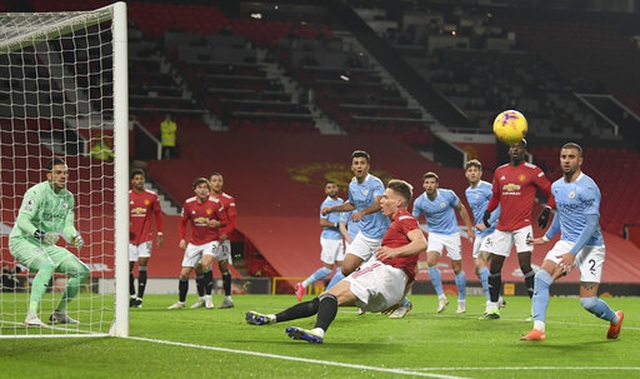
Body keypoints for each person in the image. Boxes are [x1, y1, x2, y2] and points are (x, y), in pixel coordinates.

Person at [245, 179, 426, 344]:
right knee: (324, 299)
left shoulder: (404, 218)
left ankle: (318, 332)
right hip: (394, 288)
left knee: (330, 296)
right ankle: (271, 318)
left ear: (398, 202)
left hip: (384, 274)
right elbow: (413, 271)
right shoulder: (396, 224)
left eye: (386, 197)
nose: (382, 201)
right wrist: (399, 298)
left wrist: (394, 251)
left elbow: (421, 243)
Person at [522, 142, 624, 341]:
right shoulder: (557, 186)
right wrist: (546, 238)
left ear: (580, 160)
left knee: (588, 303)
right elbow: (561, 214)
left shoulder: (588, 187)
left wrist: (573, 252)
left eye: (571, 157)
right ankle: (538, 329)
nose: (566, 161)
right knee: (541, 279)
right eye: (563, 157)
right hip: (566, 242)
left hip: (590, 247)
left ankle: (615, 318)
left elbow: (592, 225)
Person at [321, 151, 410, 318]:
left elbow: (379, 203)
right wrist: (332, 209)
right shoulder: (353, 185)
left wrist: (362, 213)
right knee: (347, 268)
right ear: (352, 167)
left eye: (362, 163)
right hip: (365, 234)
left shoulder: (375, 183)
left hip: (382, 235)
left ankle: (403, 302)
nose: (359, 166)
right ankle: (361, 292)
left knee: (389, 273)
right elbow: (352, 204)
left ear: (368, 166)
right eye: (356, 163)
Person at [9, 158, 90, 326]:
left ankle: (59, 313)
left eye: (65, 173)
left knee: (82, 271)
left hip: (45, 244)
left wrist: (75, 236)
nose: (63, 176)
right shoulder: (36, 192)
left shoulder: (68, 197)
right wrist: (40, 234)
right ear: (49, 175)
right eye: (58, 172)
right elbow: (22, 221)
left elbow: (67, 226)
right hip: (23, 240)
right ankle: (31, 316)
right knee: (47, 265)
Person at [482, 139, 555, 319]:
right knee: (495, 266)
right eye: (512, 147)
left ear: (524, 150)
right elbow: (496, 196)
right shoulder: (500, 171)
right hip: (502, 227)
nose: (515, 150)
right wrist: (488, 210)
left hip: (523, 226)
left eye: (519, 147)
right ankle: (492, 307)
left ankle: (535, 310)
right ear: (509, 151)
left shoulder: (533, 171)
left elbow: (552, 191)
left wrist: (547, 209)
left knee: (525, 265)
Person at [412, 172, 475, 313]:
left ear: (437, 184)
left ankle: (462, 301)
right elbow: (413, 220)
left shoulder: (448, 195)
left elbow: (461, 208)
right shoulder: (419, 201)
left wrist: (470, 229)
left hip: (452, 234)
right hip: (435, 234)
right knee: (431, 262)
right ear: (423, 185)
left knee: (457, 268)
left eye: (432, 182)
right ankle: (441, 297)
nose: (429, 185)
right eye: (427, 183)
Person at [168, 177, 223, 310]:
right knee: (184, 274)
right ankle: (181, 302)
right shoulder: (188, 204)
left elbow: (225, 221)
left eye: (205, 187)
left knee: (205, 264)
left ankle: (208, 298)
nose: (203, 190)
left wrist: (218, 223)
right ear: (195, 190)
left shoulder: (216, 203)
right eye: (200, 187)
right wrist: (182, 238)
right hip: (195, 242)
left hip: (211, 240)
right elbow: (182, 223)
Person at [464, 160, 506, 313]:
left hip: (493, 231)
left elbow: (500, 206)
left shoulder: (488, 188)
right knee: (477, 268)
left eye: (476, 170)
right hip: (480, 233)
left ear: (480, 173)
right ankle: (498, 298)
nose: (473, 173)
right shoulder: (468, 191)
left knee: (481, 262)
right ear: (466, 174)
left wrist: (488, 223)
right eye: (470, 171)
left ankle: (491, 302)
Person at [193, 172, 237, 309]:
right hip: (204, 239)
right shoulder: (203, 199)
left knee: (223, 266)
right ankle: (202, 298)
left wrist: (226, 234)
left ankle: (228, 299)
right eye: (214, 181)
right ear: (209, 183)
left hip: (222, 239)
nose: (217, 183)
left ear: (222, 183)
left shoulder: (229, 200)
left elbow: (232, 221)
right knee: (200, 266)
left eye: (219, 181)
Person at [295, 181, 345, 300]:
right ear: (325, 191)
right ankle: (303, 285)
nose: (331, 189)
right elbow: (322, 222)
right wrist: (338, 225)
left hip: (339, 238)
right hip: (329, 238)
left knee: (341, 269)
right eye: (329, 188)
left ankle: (333, 293)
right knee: (328, 270)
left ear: (337, 188)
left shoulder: (341, 202)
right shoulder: (325, 204)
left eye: (333, 187)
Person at [128, 169, 163, 308]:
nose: (139, 181)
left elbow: (158, 215)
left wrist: (159, 233)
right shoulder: (126, 196)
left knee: (142, 264)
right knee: (128, 267)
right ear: (132, 181)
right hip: (130, 237)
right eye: (136, 179)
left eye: (141, 179)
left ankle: (140, 299)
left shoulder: (152, 196)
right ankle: (131, 295)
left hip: (146, 236)